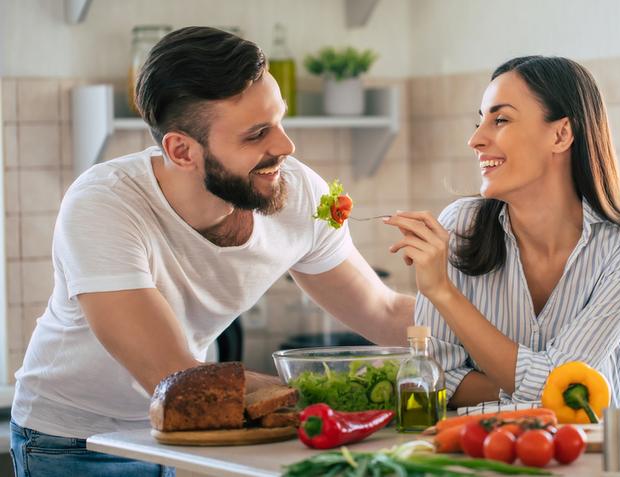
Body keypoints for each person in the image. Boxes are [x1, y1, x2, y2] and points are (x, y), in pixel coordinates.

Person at [10, 27, 413, 476]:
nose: (285, 146)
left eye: (279, 120)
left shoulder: (295, 191)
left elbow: (385, 311)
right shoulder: (104, 204)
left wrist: (495, 344)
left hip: (197, 430)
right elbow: (172, 376)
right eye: (257, 133)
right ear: (181, 150)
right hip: (77, 441)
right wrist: (345, 393)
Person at [384, 56, 620, 409]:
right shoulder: (458, 227)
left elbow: (560, 384)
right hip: (481, 454)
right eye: (479, 121)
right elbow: (436, 378)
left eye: (500, 119)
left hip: (586, 458)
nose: (475, 140)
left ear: (561, 134)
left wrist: (442, 291)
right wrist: (535, 391)